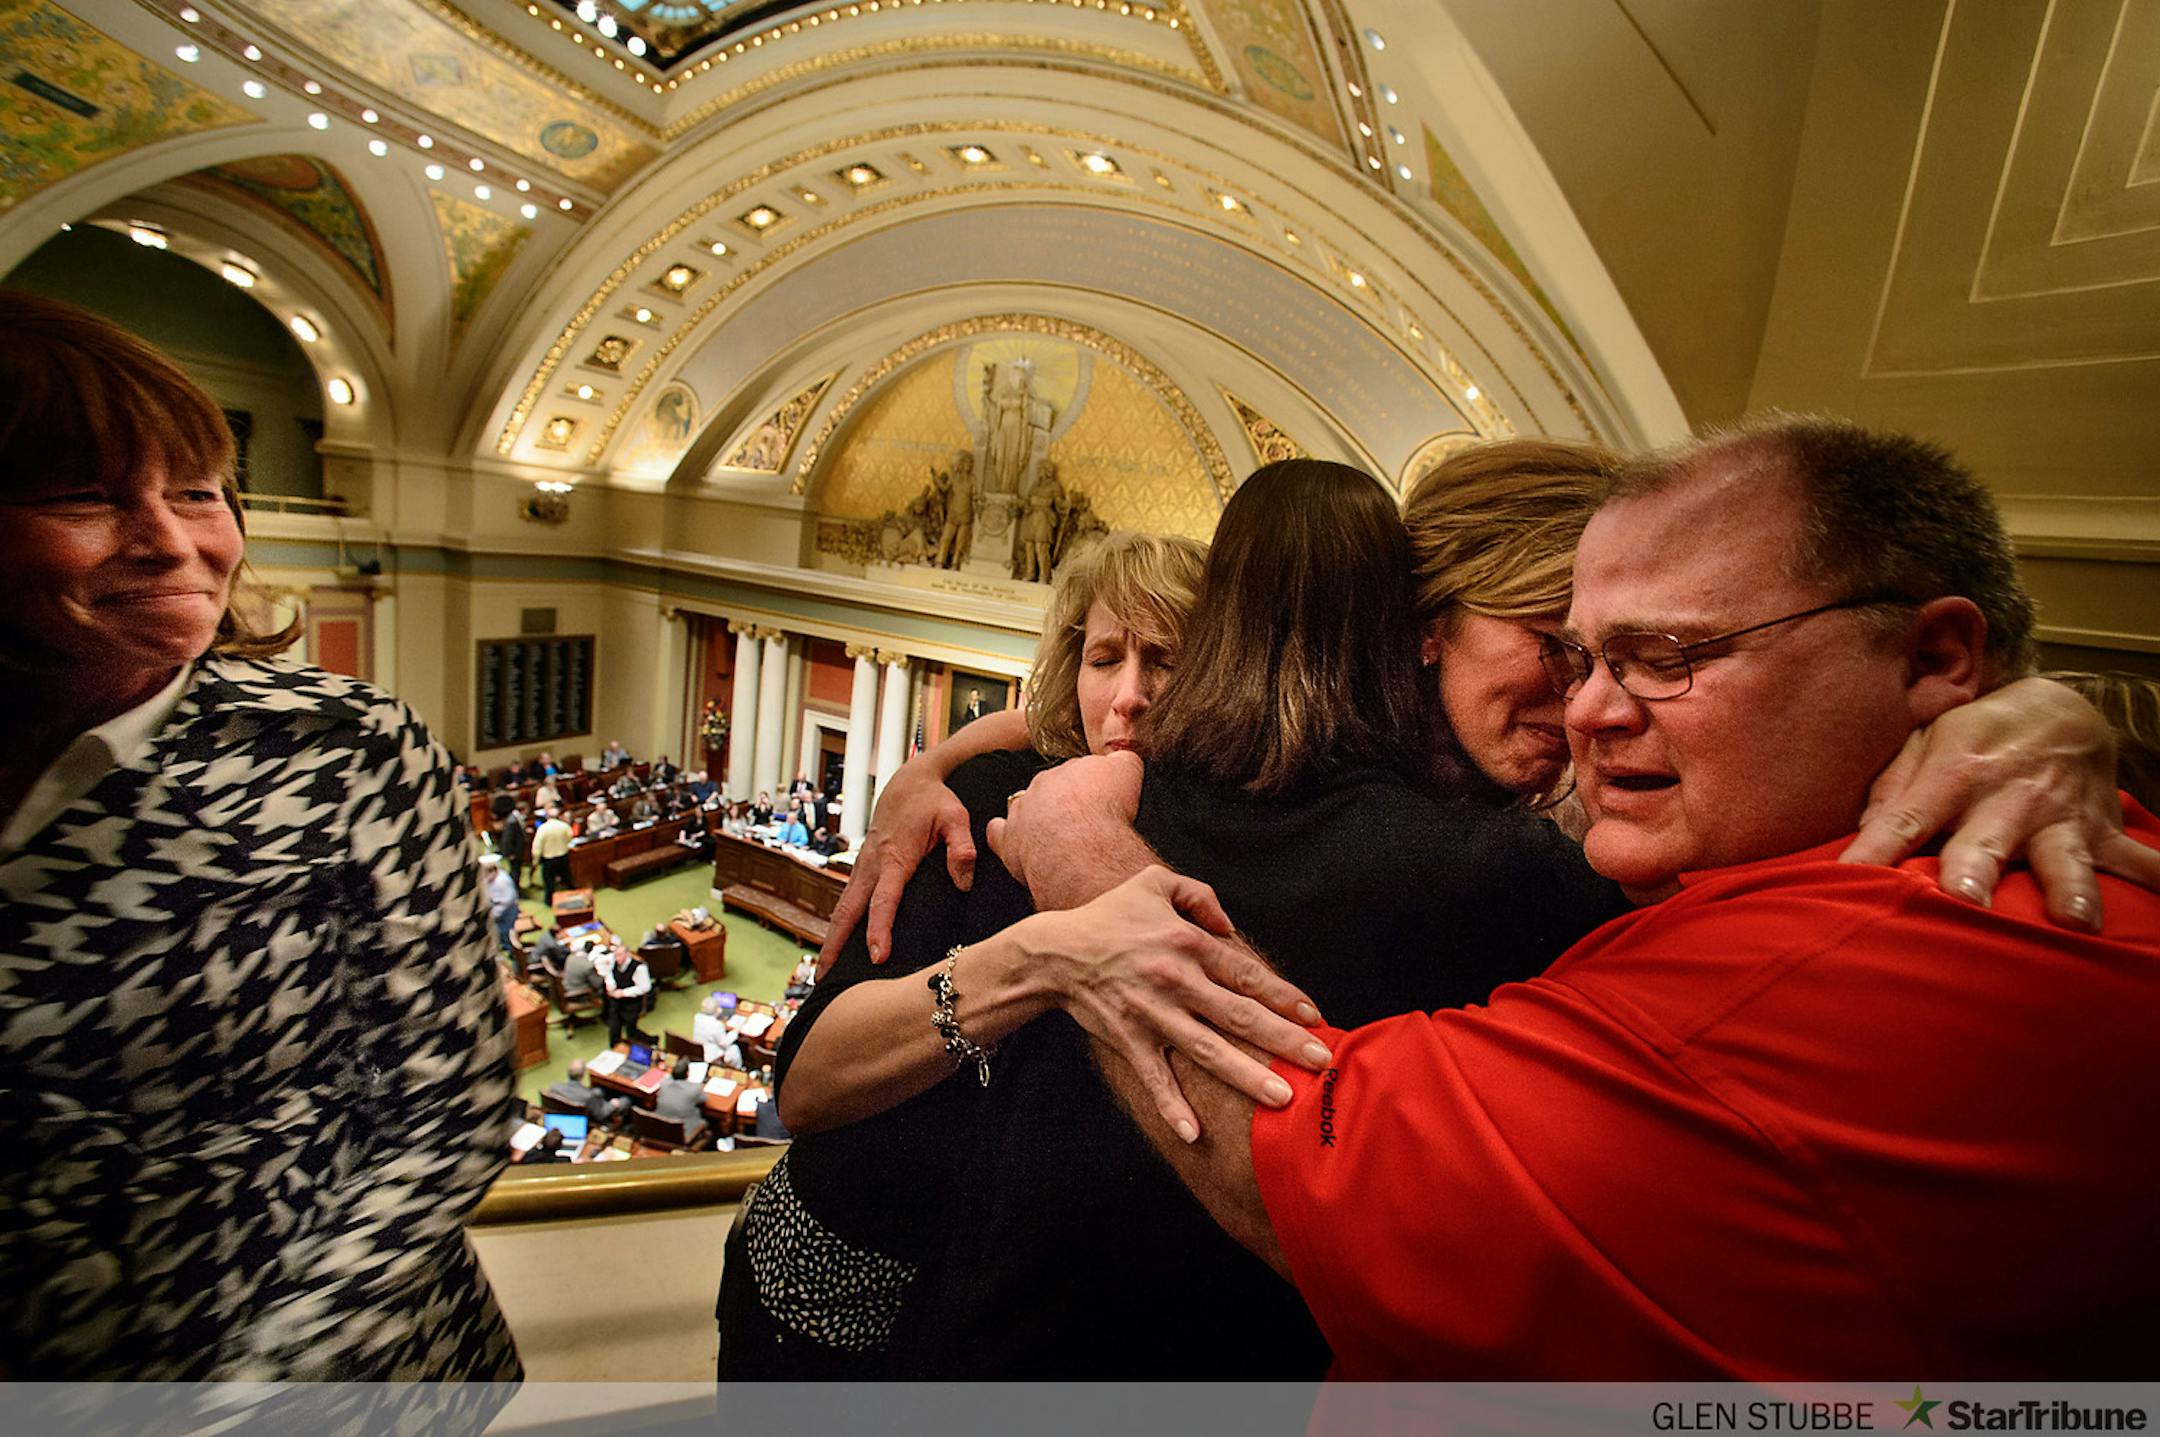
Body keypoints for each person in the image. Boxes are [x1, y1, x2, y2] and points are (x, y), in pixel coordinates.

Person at [1061, 416, 2160, 1377]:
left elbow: (1297, 1161)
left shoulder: (1835, 968)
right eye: (1577, 654)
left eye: (1667, 655)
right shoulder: (1936, 843)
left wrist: (1083, 875)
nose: (1587, 709)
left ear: (1933, 656)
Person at [0, 292, 518, 1380]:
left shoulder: (340, 750)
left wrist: (254, 1396)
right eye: (86, 497)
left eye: (198, 491)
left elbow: (449, 1105)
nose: (174, 541)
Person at [718, 530, 1209, 1379]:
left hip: (995, 1344)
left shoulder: (1214, 846)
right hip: (827, 1305)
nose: (1129, 695)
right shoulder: (978, 804)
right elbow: (804, 1086)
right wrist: (1033, 962)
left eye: (1165, 658)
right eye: (1105, 657)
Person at [543, 1059, 629, 1128]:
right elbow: (600, 1115)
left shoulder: (554, 1087)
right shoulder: (589, 1096)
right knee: (625, 1100)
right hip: (590, 1121)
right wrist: (612, 1104)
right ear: (582, 1075)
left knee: (599, 1091)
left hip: (566, 1114)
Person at [599, 943, 654, 1048]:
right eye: (615, 955)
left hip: (631, 1004)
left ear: (627, 954)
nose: (617, 958)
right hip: (616, 1002)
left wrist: (623, 993)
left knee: (631, 1030)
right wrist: (610, 984)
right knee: (614, 1028)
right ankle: (614, 1047)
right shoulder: (613, 960)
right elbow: (608, 973)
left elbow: (645, 987)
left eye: (619, 955)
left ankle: (651, 1041)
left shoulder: (639, 967)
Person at [654, 1057, 709, 1141]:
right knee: (706, 1124)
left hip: (659, 1127)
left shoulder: (663, 1083)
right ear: (687, 1074)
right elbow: (704, 1099)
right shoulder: (695, 1088)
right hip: (682, 1133)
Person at [482, 853, 521, 962]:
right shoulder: (493, 878)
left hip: (507, 912)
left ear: (493, 871)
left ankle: (514, 954)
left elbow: (507, 901)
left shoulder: (502, 881)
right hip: (499, 910)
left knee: (505, 933)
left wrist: (494, 915)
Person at [534, 804, 574, 903]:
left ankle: (549, 901)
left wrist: (535, 861)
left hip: (549, 860)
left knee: (549, 882)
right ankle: (573, 895)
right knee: (567, 879)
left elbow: (537, 847)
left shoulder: (542, 829)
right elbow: (570, 838)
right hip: (563, 856)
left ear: (547, 816)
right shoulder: (564, 826)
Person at [694, 995, 745, 1067]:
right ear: (718, 1009)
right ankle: (738, 1069)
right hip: (714, 1056)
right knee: (734, 1049)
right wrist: (736, 1030)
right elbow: (724, 1043)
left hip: (702, 1050)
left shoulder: (698, 1018)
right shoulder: (716, 1025)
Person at [496, 801, 531, 891]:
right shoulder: (512, 821)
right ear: (523, 810)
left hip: (517, 850)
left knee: (517, 871)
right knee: (515, 872)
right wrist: (509, 853)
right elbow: (507, 839)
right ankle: (513, 890)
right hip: (514, 852)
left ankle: (515, 888)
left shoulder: (515, 818)